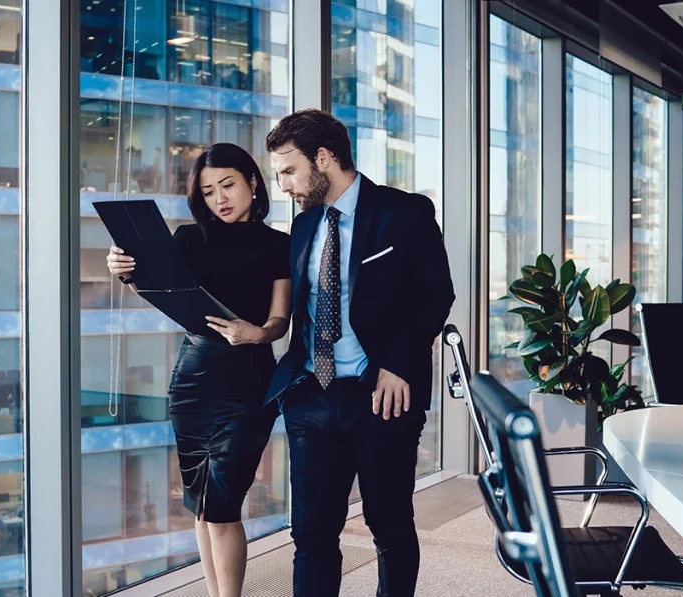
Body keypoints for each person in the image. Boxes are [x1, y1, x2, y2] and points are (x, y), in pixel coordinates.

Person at [264, 109, 455, 597]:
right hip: (312, 397)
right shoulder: (304, 225)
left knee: (389, 526)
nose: (283, 185)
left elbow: (435, 295)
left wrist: (398, 364)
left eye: (289, 170)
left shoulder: (405, 212)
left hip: (382, 398)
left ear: (324, 158)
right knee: (311, 536)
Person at [106, 143, 291, 597]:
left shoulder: (279, 244)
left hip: (248, 384)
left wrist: (256, 333)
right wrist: (123, 269)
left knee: (223, 507)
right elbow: (155, 285)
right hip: (193, 380)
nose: (219, 199)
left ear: (252, 181)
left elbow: (279, 322)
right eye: (208, 192)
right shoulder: (189, 238)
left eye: (227, 185)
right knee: (203, 505)